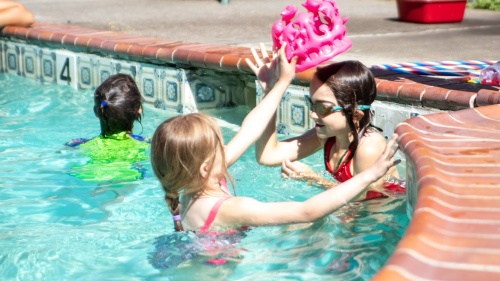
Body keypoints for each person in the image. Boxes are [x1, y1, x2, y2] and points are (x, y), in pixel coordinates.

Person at [150, 45, 402, 233]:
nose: (313, 113)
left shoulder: (192, 184)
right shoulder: (228, 206)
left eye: (322, 108)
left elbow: (249, 130)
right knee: (299, 228)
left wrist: (277, 85)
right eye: (220, 145)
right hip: (215, 268)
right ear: (206, 166)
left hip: (371, 217)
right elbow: (306, 212)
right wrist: (316, 179)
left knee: (297, 231)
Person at [248, 45, 403, 200]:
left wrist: (314, 179)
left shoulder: (369, 148)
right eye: (311, 104)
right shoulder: (328, 136)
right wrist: (271, 91)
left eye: (322, 108)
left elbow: (367, 200)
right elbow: (267, 156)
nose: (312, 114)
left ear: (355, 114)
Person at [66, 73, 150, 182]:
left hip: (86, 176)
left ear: (96, 111)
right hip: (128, 177)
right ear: (139, 110)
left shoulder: (76, 144)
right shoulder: (148, 143)